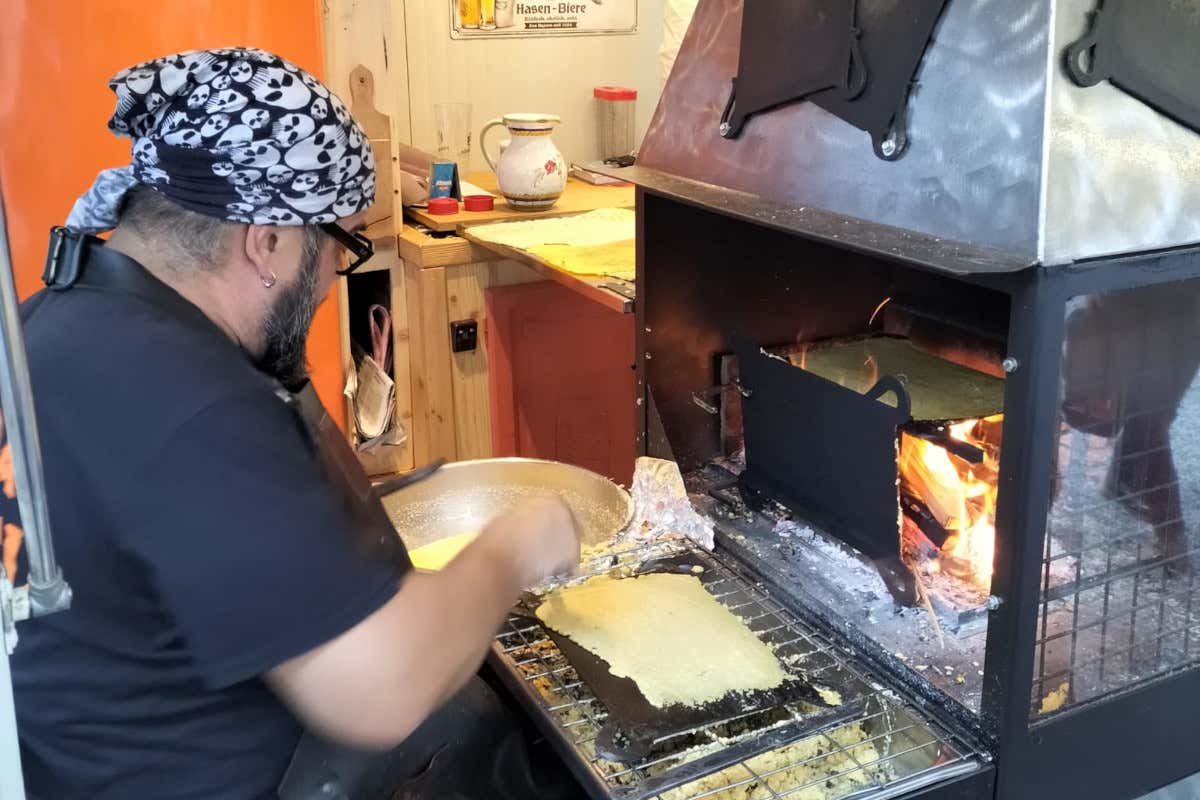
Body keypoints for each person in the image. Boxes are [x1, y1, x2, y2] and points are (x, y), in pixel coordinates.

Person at [10, 48, 581, 800]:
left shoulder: (51, 322)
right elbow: (382, 686)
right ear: (269, 241)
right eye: (340, 247)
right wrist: (515, 544)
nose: (326, 287)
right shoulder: (186, 401)